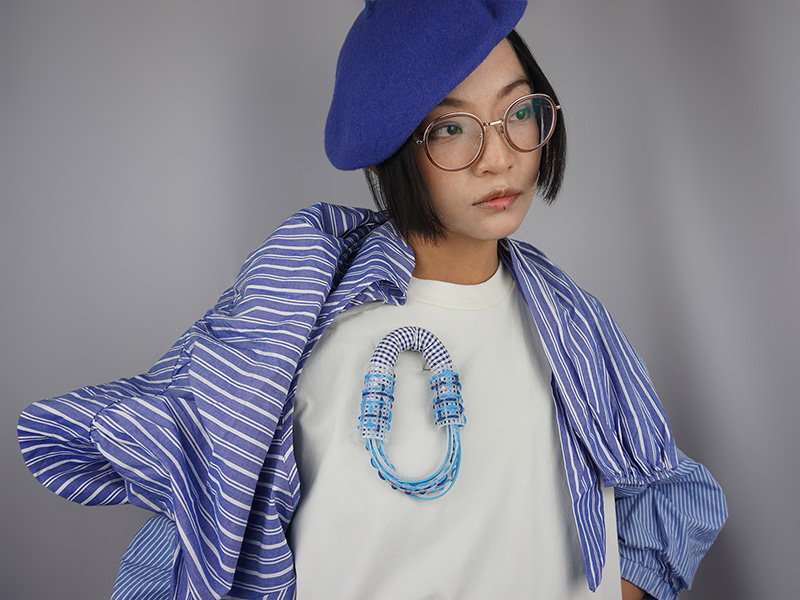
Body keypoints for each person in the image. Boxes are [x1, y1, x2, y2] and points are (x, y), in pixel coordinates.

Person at [17, 1, 727, 599]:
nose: (497, 156)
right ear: (397, 150)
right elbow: (192, 524)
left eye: (518, 113)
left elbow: (669, 492)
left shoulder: (574, 322)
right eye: (450, 127)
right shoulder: (298, 325)